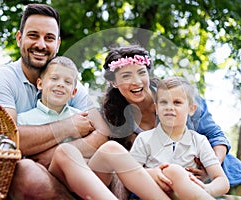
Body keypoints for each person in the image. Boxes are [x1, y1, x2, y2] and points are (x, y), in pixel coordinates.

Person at [101, 44, 241, 199]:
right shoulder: (114, 117)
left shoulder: (180, 95)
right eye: (126, 76)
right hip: (164, 180)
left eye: (141, 72)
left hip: (214, 167)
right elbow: (124, 164)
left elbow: (215, 135)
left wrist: (209, 167)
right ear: (114, 82)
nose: (136, 81)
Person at [0, 4, 109, 199]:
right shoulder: (0, 78)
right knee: (27, 172)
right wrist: (69, 126)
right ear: (19, 38)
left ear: (57, 44)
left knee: (110, 159)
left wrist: (56, 154)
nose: (41, 44)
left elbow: (103, 132)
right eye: (33, 35)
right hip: (8, 176)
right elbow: (8, 137)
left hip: (62, 169)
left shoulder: (68, 83)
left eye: (49, 38)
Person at [17, 55, 171, 199]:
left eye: (67, 82)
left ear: (74, 92)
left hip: (87, 176)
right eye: (54, 78)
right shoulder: (24, 119)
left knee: (112, 148)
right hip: (53, 176)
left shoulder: (82, 116)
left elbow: (102, 137)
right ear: (40, 84)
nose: (60, 84)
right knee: (65, 151)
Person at [130, 76, 230, 198]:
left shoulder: (199, 141)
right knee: (174, 171)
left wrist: (208, 190)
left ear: (191, 109)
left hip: (191, 196)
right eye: (163, 102)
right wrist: (151, 173)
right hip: (155, 196)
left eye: (177, 102)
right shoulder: (144, 139)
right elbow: (130, 173)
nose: (169, 107)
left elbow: (222, 181)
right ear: (156, 108)